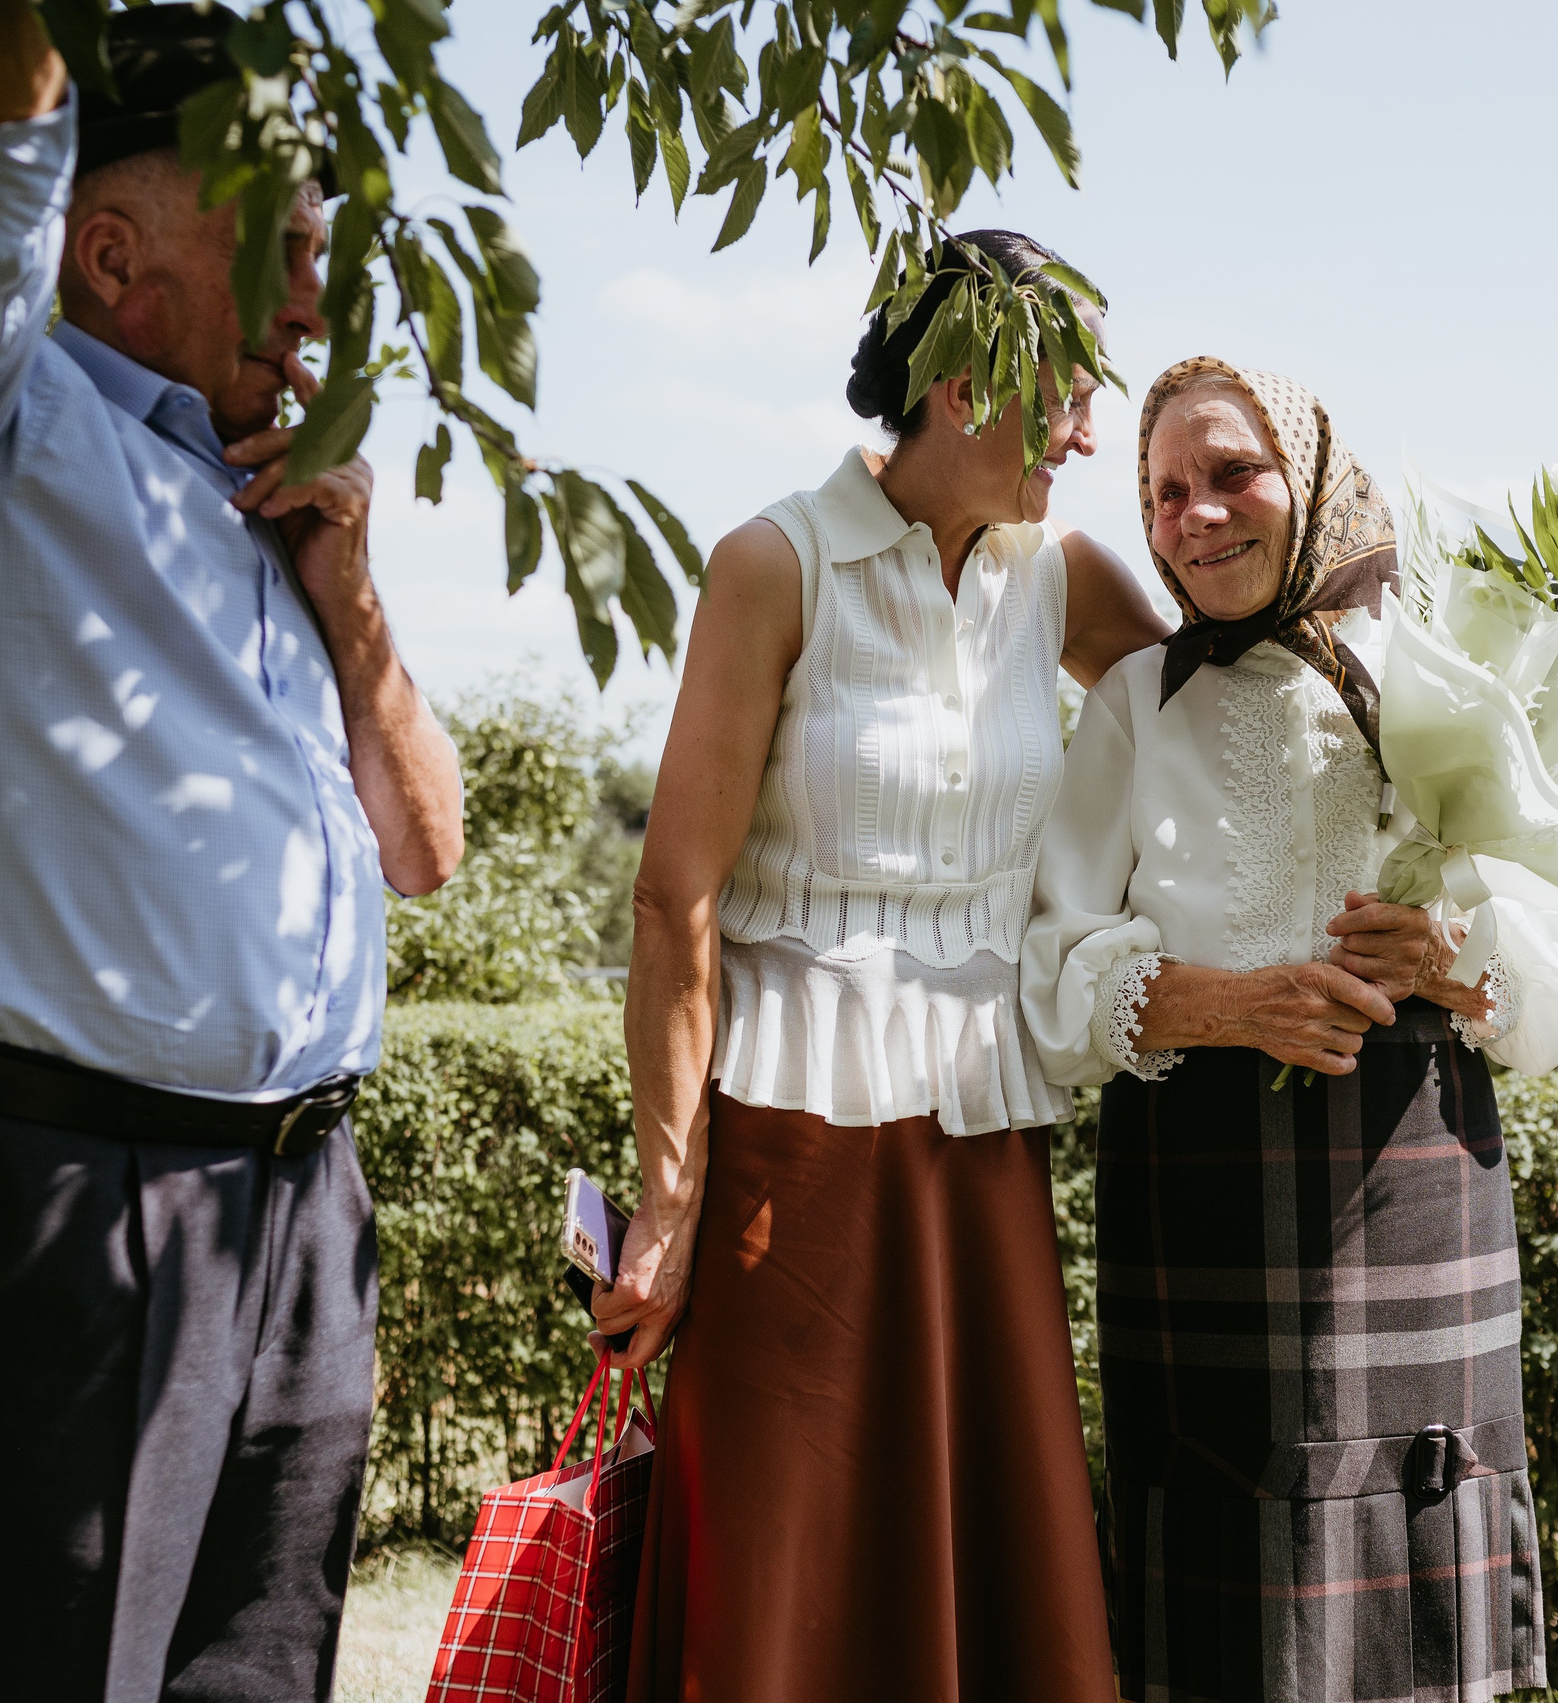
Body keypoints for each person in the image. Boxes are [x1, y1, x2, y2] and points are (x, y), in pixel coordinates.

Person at [0, 5, 464, 1698]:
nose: (320, 304)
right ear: (107, 254)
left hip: (302, 1212)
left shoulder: (292, 518)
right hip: (63, 1210)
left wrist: (356, 611)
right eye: (279, 246)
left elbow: (426, 851)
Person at [594, 232, 1173, 1701]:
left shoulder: (1065, 578)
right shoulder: (773, 561)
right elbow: (677, 899)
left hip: (984, 1139)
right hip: (793, 1144)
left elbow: (1213, 723)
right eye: (1068, 395)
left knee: (992, 1559)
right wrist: (668, 1196)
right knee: (783, 1568)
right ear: (965, 376)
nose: (1090, 437)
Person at [1020, 359, 1558, 1703]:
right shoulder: (1133, 700)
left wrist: (1449, 956)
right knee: (1221, 1521)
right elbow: (1047, 973)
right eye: (1162, 492)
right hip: (1194, 1168)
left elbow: (1553, 985)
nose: (1195, 516)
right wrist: (1227, 1003)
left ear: (1316, 473)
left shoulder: (1452, 677)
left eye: (1231, 474)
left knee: (1418, 1508)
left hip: (1417, 1161)